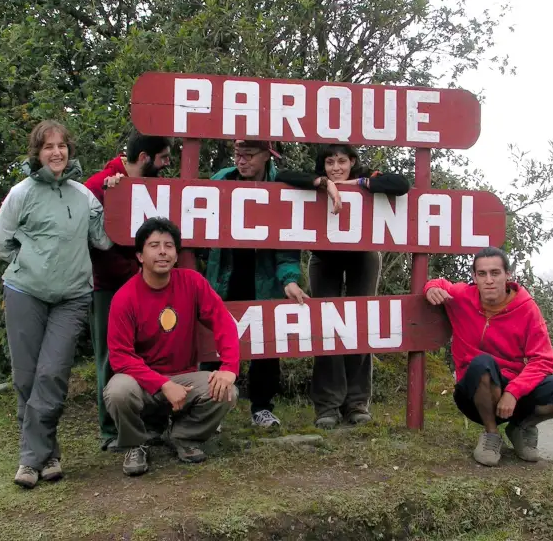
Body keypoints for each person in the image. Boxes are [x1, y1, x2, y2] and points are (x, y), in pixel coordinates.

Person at [0, 119, 114, 489]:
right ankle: (49, 456)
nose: (56, 152)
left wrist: (114, 194)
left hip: (73, 296)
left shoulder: (83, 195)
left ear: (69, 150)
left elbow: (104, 241)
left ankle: (29, 460)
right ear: (38, 153)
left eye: (61, 145)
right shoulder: (22, 193)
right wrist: (28, 262)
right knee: (27, 378)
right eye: (48, 147)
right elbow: (1, 242)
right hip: (25, 293)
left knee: (52, 375)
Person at [277, 144, 410, 429]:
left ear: (352, 162)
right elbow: (282, 176)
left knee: (362, 323)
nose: (336, 168)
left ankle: (357, 403)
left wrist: (356, 184)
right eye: (329, 162)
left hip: (363, 254)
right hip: (324, 257)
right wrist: (325, 184)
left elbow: (401, 184)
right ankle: (328, 406)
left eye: (341, 161)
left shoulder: (366, 175)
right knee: (327, 326)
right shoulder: (317, 178)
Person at [104, 217, 240, 476]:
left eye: (169, 246)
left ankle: (184, 437)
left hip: (185, 378)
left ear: (176, 255)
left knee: (226, 390)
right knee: (118, 391)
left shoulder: (192, 282)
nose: (163, 251)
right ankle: (136, 443)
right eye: (154, 245)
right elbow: (120, 357)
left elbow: (224, 323)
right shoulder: (125, 297)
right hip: (143, 382)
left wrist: (229, 367)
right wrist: (163, 385)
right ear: (140, 255)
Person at [424, 246, 553, 467]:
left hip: (511, 389)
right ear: (474, 277)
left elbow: (542, 360)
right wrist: (431, 288)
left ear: (508, 275)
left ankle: (521, 427)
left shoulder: (526, 308)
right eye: (482, 274)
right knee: (482, 363)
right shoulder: (461, 297)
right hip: (473, 394)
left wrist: (514, 393)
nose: (489, 280)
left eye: (495, 273)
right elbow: (439, 284)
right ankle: (491, 435)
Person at [200, 140, 314, 429]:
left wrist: (289, 280)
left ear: (267, 156)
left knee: (266, 343)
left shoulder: (281, 187)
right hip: (226, 274)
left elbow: (287, 245)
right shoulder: (220, 181)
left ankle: (261, 408)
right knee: (214, 343)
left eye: (249, 155)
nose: (242, 161)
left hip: (263, 277)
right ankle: (211, 407)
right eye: (238, 155)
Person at [84, 132, 172, 451]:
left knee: (152, 349)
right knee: (110, 357)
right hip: (107, 286)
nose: (167, 165)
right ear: (145, 158)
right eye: (163, 158)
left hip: (146, 285)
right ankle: (111, 431)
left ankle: (152, 423)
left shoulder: (154, 187)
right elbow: (87, 239)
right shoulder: (99, 185)